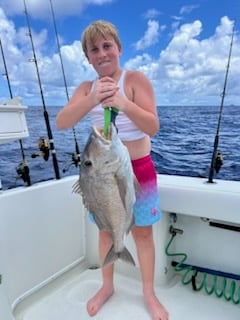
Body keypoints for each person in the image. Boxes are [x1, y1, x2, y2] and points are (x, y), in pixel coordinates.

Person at [56, 20, 168, 320]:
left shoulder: (134, 80)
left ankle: (148, 292)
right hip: (100, 178)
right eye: (94, 49)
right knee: (106, 232)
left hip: (138, 171)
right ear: (88, 57)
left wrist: (123, 103)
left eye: (107, 46)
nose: (102, 53)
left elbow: (153, 127)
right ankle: (107, 286)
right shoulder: (85, 88)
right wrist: (93, 98)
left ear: (119, 49)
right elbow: (63, 122)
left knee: (143, 234)